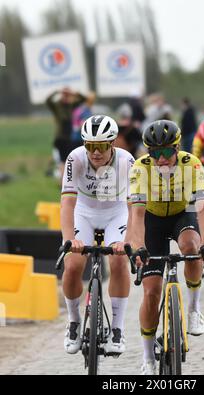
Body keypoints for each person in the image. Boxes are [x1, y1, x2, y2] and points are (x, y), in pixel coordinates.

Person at [129, 120, 204, 375]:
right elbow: (137, 215)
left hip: (182, 213)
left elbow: (203, 209)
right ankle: (147, 357)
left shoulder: (192, 164)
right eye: (155, 153)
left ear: (177, 148)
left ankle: (194, 308)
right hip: (152, 220)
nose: (162, 159)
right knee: (152, 292)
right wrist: (139, 247)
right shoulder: (140, 168)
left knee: (191, 246)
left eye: (167, 152)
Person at [61, 115, 135, 356]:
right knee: (72, 265)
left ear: (112, 143)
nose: (95, 152)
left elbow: (135, 206)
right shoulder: (75, 158)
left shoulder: (127, 160)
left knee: (118, 261)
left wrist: (128, 240)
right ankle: (73, 321)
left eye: (101, 146)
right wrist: (69, 240)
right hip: (85, 212)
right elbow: (67, 204)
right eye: (90, 146)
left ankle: (117, 328)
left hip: (116, 212)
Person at [46, 87, 87, 179]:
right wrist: (57, 91)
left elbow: (84, 99)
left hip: (72, 138)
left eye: (67, 95)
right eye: (64, 95)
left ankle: (73, 180)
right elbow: (48, 101)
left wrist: (73, 93)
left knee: (74, 160)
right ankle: (63, 182)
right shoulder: (57, 106)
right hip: (61, 137)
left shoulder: (72, 105)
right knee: (63, 161)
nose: (65, 97)